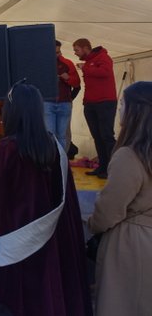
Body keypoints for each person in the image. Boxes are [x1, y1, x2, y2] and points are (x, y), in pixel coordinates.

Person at [0, 83, 93, 316]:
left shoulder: (8, 149)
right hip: (52, 241)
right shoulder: (54, 145)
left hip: (15, 241)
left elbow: (0, 205)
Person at [88, 81, 152, 316]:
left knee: (125, 304)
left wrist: (92, 224)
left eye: (123, 104)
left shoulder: (130, 155)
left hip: (132, 247)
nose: (119, 109)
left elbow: (108, 211)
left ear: (137, 111)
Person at [73, 38, 117, 179]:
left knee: (106, 136)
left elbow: (105, 72)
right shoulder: (89, 62)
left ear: (85, 48)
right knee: (97, 137)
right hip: (91, 104)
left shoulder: (103, 57)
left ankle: (113, 169)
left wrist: (85, 68)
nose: (75, 53)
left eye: (77, 50)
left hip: (105, 102)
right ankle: (102, 166)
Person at [44, 40, 80, 151]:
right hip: (47, 103)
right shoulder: (42, 64)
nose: (58, 54)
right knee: (50, 134)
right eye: (55, 52)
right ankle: (51, 159)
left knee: (63, 135)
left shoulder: (67, 63)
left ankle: (63, 159)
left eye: (59, 52)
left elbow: (77, 84)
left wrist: (67, 78)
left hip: (64, 103)